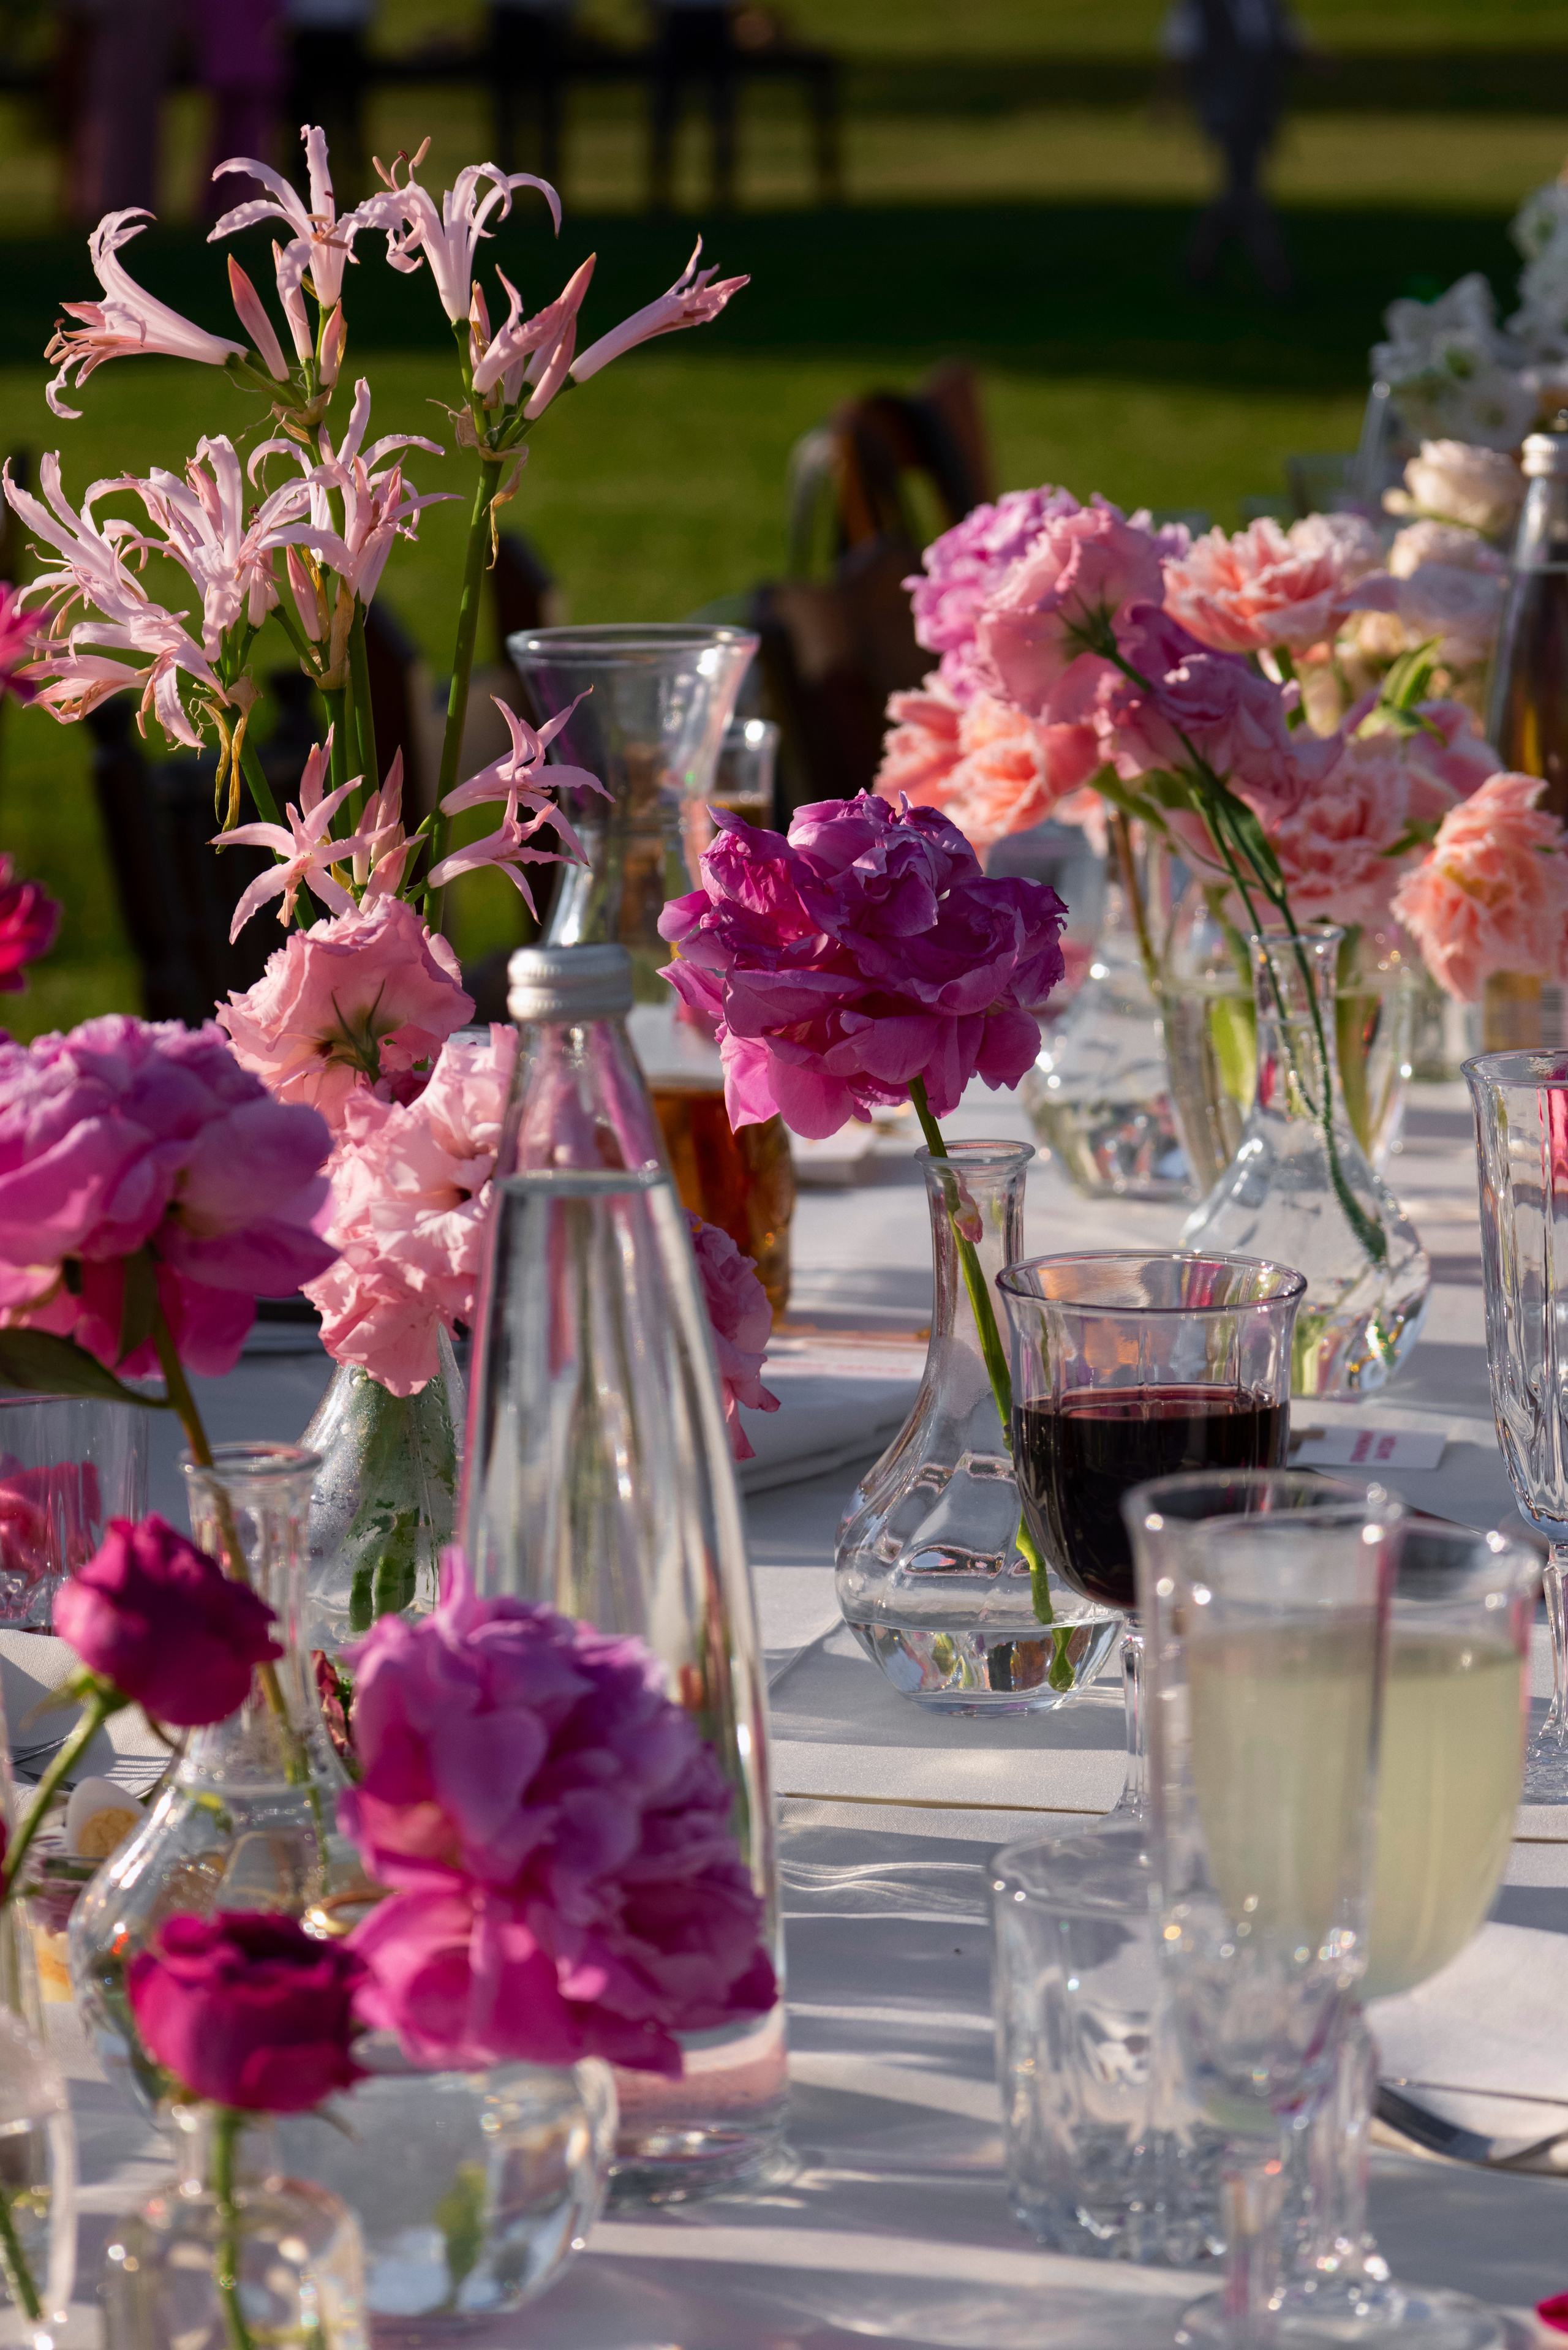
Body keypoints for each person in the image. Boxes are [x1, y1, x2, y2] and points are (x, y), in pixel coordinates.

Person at [1162, 0, 1303, 296]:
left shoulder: (1270, 6)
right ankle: (1276, 274)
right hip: (1223, 110)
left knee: (1237, 189)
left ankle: (1199, 266)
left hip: (1261, 112)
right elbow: (1179, 53)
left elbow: (1288, 43)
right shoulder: (1198, 7)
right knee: (1245, 187)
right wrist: (1167, 101)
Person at [648, 0, 739, 215]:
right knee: (665, 117)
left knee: (722, 116)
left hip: (715, 17)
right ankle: (660, 192)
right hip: (676, 16)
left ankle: (723, 192)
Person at [285, 0, 372, 197]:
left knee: (348, 126)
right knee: (304, 128)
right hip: (310, 38)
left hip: (341, 37)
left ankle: (352, 190)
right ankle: (307, 192)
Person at [489, 0, 576, 187]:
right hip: (513, 16)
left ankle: (549, 185)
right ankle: (505, 188)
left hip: (547, 19)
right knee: (509, 121)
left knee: (547, 119)